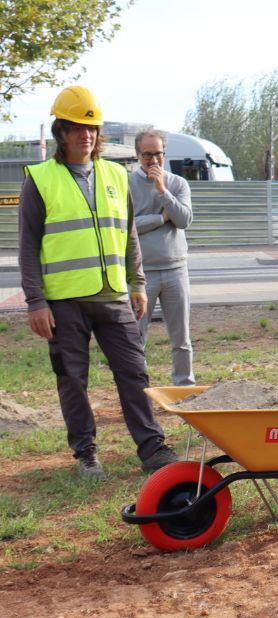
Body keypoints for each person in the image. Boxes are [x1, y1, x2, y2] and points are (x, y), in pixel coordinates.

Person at [18, 85, 178, 479]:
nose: (84, 135)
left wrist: (137, 283)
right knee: (73, 379)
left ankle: (152, 448)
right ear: (61, 132)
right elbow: (27, 244)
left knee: (135, 372)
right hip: (63, 301)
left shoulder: (114, 174)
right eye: (75, 128)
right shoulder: (39, 179)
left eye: (90, 128)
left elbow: (128, 235)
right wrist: (35, 301)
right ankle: (87, 453)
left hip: (114, 297)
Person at [130, 128, 195, 387]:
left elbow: (183, 219)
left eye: (158, 154)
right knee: (136, 337)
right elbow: (126, 225)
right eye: (147, 155)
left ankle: (184, 386)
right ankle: (139, 389)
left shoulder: (177, 183)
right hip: (140, 273)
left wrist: (162, 191)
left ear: (164, 154)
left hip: (175, 269)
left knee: (181, 338)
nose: (153, 160)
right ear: (137, 155)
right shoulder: (126, 185)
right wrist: (159, 218)